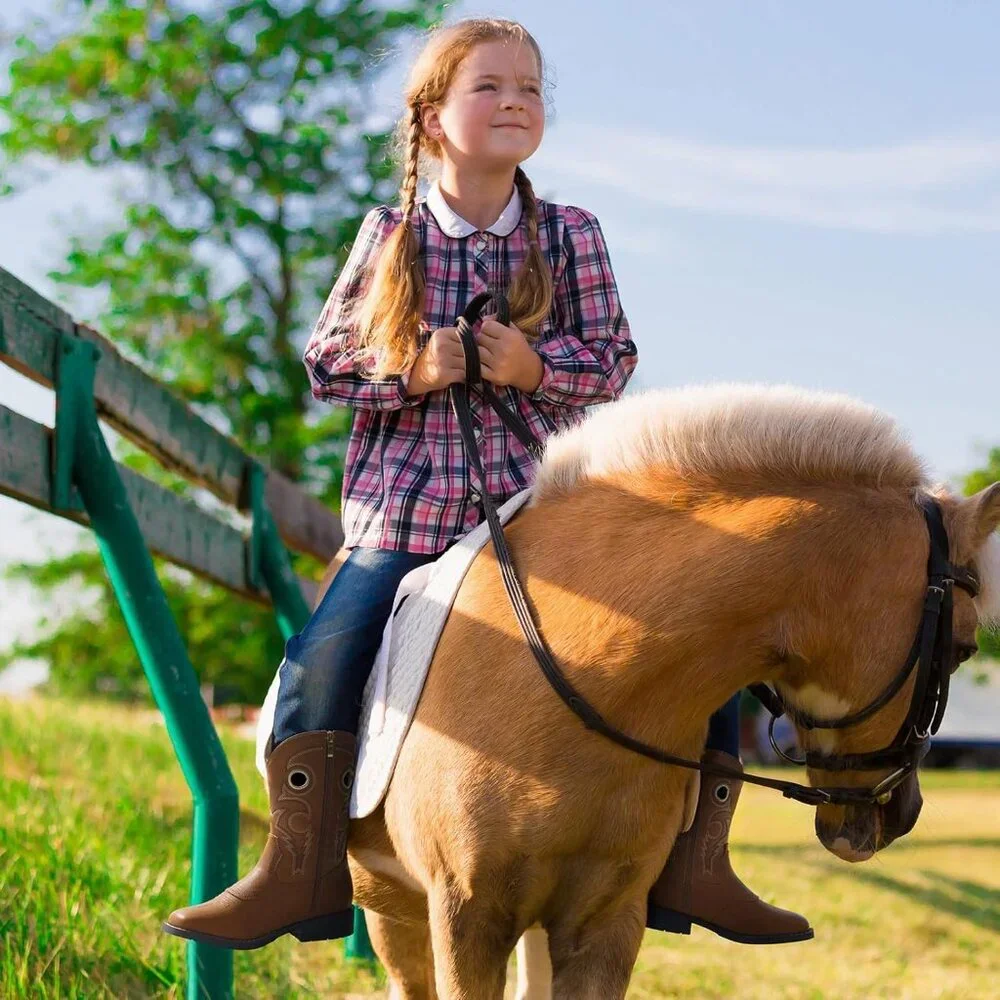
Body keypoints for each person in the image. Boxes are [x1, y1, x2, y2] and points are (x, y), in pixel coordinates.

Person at [162, 16, 810, 951]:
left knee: (696, 618)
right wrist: (413, 369)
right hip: (414, 507)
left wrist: (534, 369)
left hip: (547, 507)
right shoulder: (390, 234)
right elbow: (327, 363)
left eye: (531, 89)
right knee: (322, 655)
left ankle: (700, 861)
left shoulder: (571, 232)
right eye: (490, 87)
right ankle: (296, 872)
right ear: (431, 119)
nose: (515, 102)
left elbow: (616, 358)